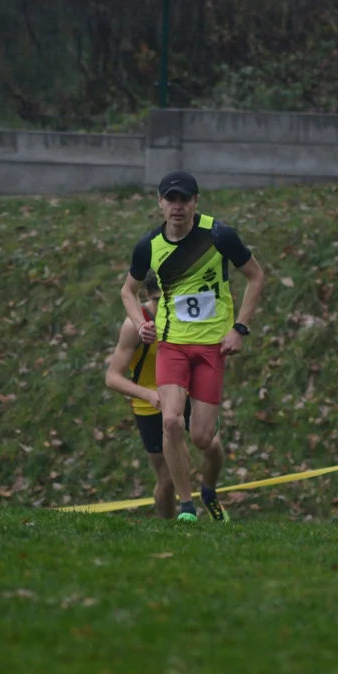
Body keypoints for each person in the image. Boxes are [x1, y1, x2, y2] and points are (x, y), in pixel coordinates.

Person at [119, 170, 266, 522]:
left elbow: (256, 276)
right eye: (171, 199)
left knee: (201, 438)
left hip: (212, 348)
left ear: (196, 202)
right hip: (173, 345)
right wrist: (142, 325)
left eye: (185, 199)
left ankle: (209, 490)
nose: (177, 206)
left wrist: (240, 329)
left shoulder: (219, 235)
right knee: (170, 422)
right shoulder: (149, 246)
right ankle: (187, 508)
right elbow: (127, 290)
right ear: (160, 203)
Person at [105, 270, 226, 519]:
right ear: (149, 295)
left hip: (184, 393)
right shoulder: (136, 324)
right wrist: (149, 395)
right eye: (160, 300)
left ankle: (209, 493)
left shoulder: (185, 313)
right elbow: (112, 377)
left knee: (213, 445)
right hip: (150, 406)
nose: (167, 305)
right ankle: (170, 528)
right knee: (167, 478)